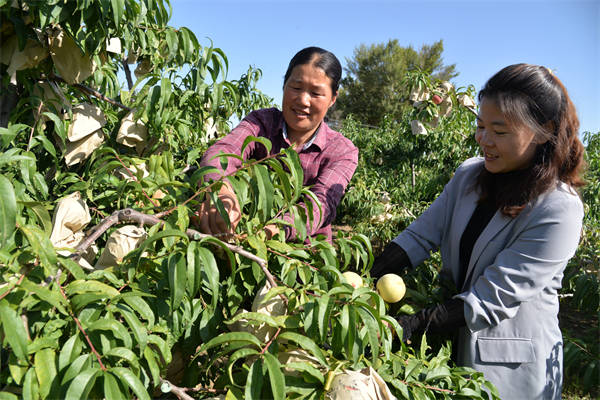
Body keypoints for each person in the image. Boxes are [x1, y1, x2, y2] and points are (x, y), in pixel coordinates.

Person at [371, 64, 586, 400]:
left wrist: (412, 326)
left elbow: (492, 298)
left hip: (509, 368)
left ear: (543, 131)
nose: (483, 139)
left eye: (500, 131)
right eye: (480, 125)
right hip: (451, 349)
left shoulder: (558, 208)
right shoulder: (470, 175)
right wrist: (367, 275)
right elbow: (419, 236)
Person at [195, 47, 358, 242]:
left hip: (303, 257)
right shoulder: (261, 122)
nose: (303, 100)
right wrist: (220, 191)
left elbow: (320, 204)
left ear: (332, 99)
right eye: (296, 88)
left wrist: (272, 231)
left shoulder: (342, 151)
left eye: (315, 93)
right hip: (236, 236)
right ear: (284, 85)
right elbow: (223, 151)